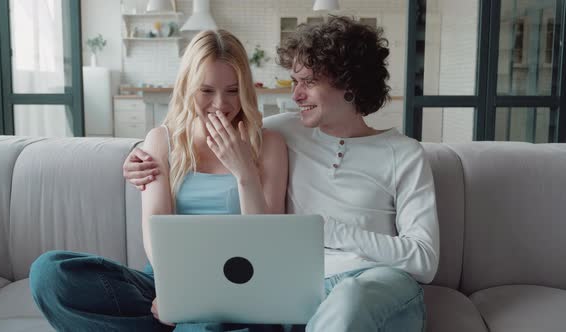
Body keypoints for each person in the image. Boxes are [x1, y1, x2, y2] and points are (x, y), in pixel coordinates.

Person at [125, 16, 440, 332]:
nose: (296, 95)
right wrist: (138, 156)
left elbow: (425, 260)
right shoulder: (284, 131)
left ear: (350, 83)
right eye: (295, 82)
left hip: (377, 284)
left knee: (351, 297)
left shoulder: (405, 153)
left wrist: (330, 231)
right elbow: (208, 134)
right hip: (305, 290)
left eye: (308, 82)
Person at [29, 29, 288, 332]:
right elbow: (155, 226)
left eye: (232, 90)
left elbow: (266, 244)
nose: (221, 104)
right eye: (206, 91)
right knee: (50, 273)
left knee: (211, 315)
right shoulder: (161, 140)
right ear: (187, 87)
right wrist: (174, 293)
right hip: (167, 276)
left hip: (237, 281)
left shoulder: (268, 143)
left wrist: (245, 172)